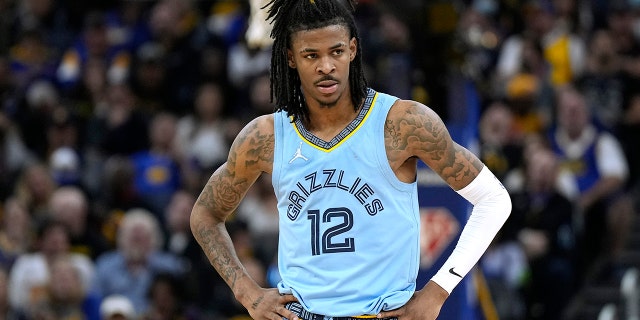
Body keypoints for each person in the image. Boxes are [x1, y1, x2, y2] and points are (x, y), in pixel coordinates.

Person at [189, 1, 512, 319]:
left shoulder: (402, 122)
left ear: (353, 49)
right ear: (290, 58)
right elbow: (205, 214)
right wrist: (246, 292)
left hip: (383, 313)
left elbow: (494, 199)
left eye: (336, 52)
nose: (326, 66)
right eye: (311, 55)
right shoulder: (266, 136)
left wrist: (439, 288)